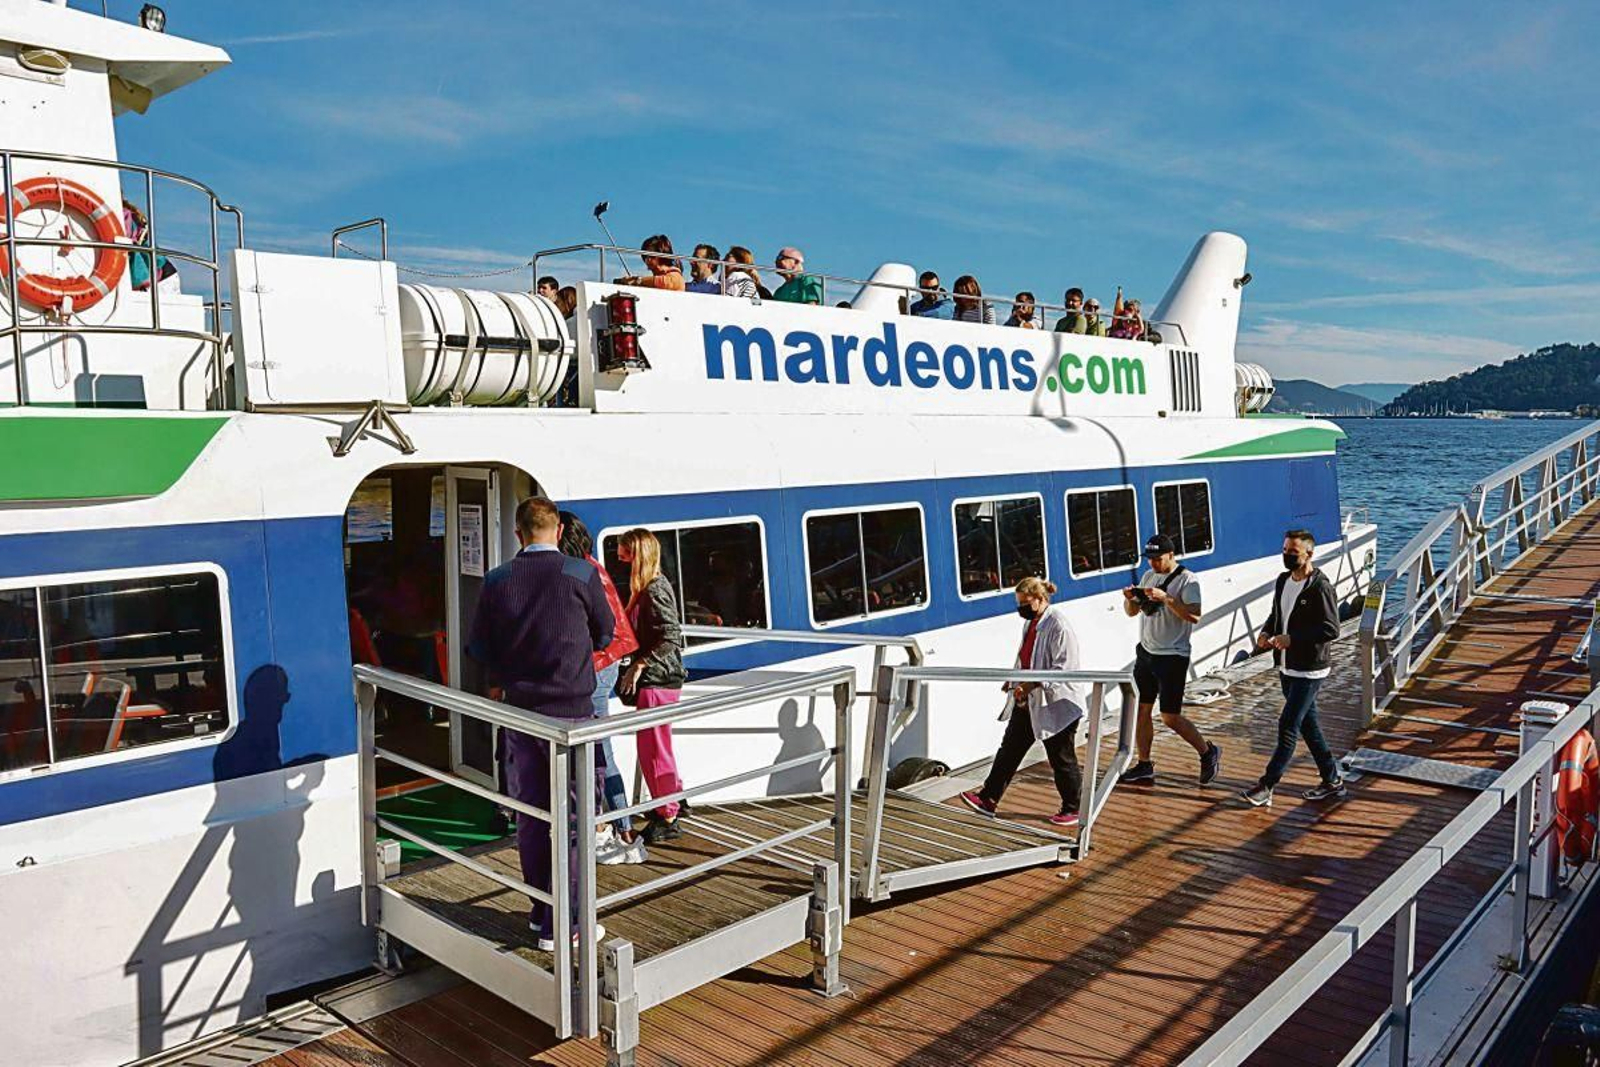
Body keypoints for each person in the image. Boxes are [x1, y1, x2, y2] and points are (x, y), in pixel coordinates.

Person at [468, 496, 613, 950]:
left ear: (519, 534)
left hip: (520, 714)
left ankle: (539, 909)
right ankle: (564, 924)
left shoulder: (496, 580)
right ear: (556, 530)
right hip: (572, 714)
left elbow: (480, 647)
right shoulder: (581, 574)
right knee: (572, 818)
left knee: (531, 815)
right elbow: (606, 633)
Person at [958, 578, 1085, 828]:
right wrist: (1014, 680)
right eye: (1019, 604)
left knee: (1061, 757)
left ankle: (1074, 808)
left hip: (1058, 704)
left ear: (1040, 599)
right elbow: (1025, 657)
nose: (1021, 609)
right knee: (1010, 750)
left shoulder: (1059, 626)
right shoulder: (1031, 623)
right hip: (1030, 701)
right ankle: (988, 798)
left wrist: (1031, 684)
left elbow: (1064, 669)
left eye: (1025, 603)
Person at [558, 511, 647, 863]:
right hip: (603, 665)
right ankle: (617, 827)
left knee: (598, 752)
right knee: (598, 749)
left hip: (596, 667)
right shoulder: (589, 566)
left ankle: (612, 830)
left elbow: (601, 628)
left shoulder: (581, 573)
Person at [1242, 531, 1346, 807]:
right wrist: (1266, 632)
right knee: (1309, 726)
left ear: (1309, 554)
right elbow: (1277, 614)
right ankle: (1332, 780)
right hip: (1287, 666)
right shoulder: (1283, 581)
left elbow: (1331, 629)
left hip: (1310, 670)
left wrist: (1293, 639)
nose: (1287, 555)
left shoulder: (1320, 587)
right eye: (1285, 549)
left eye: (1293, 551)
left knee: (1288, 725)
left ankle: (1267, 786)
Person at [1118, 534, 1221, 787]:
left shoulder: (1188, 580)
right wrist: (1130, 599)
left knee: (1169, 716)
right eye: (1150, 559)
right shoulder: (1148, 577)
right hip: (1147, 652)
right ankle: (1144, 764)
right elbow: (1132, 613)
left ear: (1171, 555)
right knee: (1142, 711)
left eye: (1157, 559)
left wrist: (1166, 599)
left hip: (1173, 656)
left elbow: (1195, 616)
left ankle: (1208, 752)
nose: (1153, 564)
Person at [615, 528, 688, 843]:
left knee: (653, 748)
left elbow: (671, 634)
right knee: (657, 746)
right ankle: (673, 799)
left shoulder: (653, 589)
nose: (622, 563)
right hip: (659, 680)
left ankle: (667, 813)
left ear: (638, 557)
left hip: (658, 680)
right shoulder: (652, 586)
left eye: (625, 557)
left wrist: (640, 664)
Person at [616, 234, 686, 291]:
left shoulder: (676, 276)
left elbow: (667, 282)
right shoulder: (651, 281)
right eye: (645, 256)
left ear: (662, 254)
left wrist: (638, 281)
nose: (647, 259)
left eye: (651, 255)